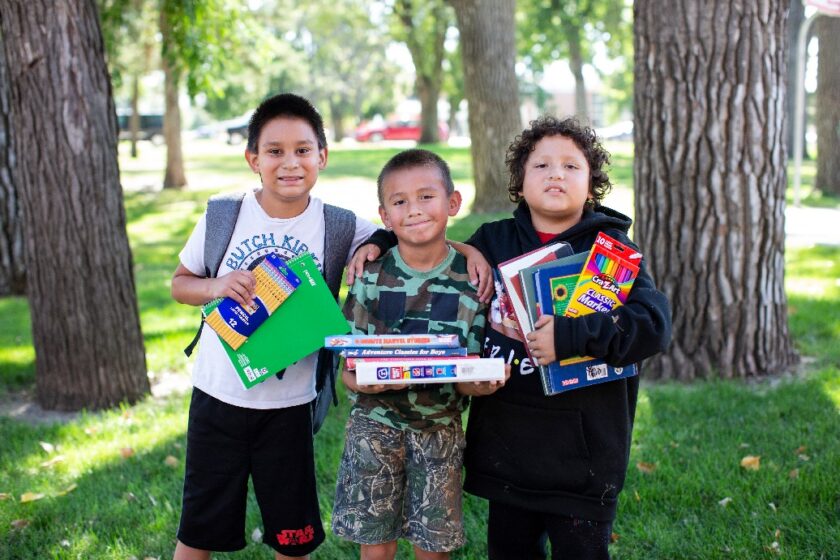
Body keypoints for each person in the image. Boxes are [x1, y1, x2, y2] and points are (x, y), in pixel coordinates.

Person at [462, 116, 672, 560]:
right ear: (520, 180)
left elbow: (652, 326)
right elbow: (425, 255)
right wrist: (384, 236)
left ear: (592, 183)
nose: (556, 173)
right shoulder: (492, 240)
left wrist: (573, 335)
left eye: (571, 166)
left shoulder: (612, 250)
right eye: (541, 165)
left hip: (584, 459)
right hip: (508, 450)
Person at [332, 149, 506, 560]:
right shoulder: (369, 278)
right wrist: (368, 381)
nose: (414, 210)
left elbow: (469, 369)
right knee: (375, 541)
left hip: (440, 428)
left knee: (434, 543)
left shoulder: (473, 281)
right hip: (373, 428)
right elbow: (348, 373)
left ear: (453, 203)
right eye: (399, 202)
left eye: (426, 197)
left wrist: (480, 384)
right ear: (384, 216)